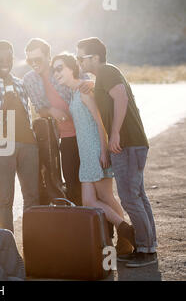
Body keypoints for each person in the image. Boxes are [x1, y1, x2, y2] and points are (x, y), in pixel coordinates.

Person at [77, 37, 157, 268]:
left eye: (81, 57)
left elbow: (120, 98)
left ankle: (145, 250)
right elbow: (114, 95)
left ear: (95, 57)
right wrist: (94, 86)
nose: (79, 61)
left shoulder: (107, 71)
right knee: (138, 196)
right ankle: (148, 245)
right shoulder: (104, 76)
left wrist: (115, 133)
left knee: (131, 198)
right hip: (133, 143)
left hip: (127, 144)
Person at [51, 53, 134, 256]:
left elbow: (99, 122)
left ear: (72, 67)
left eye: (60, 68)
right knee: (89, 201)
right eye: (54, 70)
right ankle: (125, 230)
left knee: (105, 196)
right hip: (86, 153)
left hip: (96, 150)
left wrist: (104, 150)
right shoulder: (76, 91)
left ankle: (126, 238)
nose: (56, 73)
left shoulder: (85, 91)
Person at [22, 38, 94, 206]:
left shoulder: (62, 68)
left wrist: (90, 83)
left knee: (92, 181)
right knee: (71, 184)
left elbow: (86, 82)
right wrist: (51, 111)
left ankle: (104, 229)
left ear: (48, 56)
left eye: (37, 59)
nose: (34, 63)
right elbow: (38, 108)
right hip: (65, 137)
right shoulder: (29, 79)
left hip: (86, 132)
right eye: (29, 60)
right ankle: (82, 226)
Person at [0, 40, 40, 233]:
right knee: (5, 199)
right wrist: (6, 95)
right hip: (3, 144)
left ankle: (32, 244)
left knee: (32, 197)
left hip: (28, 144)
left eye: (8, 58)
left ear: (13, 59)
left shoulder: (21, 84)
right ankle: (8, 247)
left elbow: (30, 112)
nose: (4, 62)